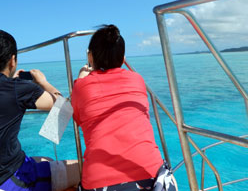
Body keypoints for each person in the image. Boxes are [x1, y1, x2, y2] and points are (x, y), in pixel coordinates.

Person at [0, 29, 80, 191]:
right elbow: (62, 105)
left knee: (46, 159)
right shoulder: (19, 89)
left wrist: (14, 83)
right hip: (7, 181)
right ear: (12, 60)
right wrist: (43, 82)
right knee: (81, 168)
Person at [71, 25, 177, 191]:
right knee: (170, 177)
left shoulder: (81, 86)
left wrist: (80, 80)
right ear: (123, 59)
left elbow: (67, 121)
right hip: (151, 175)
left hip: (99, 183)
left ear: (90, 57)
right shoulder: (137, 80)